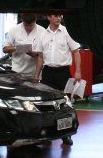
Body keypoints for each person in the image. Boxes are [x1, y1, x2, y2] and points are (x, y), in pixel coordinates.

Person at [34, 14, 82, 145]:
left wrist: (78, 71)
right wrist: (37, 76)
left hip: (63, 72)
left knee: (65, 104)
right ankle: (46, 132)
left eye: (60, 16)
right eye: (55, 16)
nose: (58, 18)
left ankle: (66, 135)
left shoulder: (66, 32)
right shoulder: (43, 35)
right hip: (48, 72)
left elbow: (76, 51)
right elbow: (40, 57)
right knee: (45, 105)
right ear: (49, 17)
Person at [2, 13, 46, 80]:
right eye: (26, 25)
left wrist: (37, 54)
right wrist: (16, 48)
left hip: (34, 73)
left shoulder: (42, 31)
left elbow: (47, 52)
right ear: (22, 20)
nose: (28, 27)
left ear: (35, 20)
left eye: (31, 25)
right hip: (17, 72)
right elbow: (5, 49)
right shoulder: (14, 30)